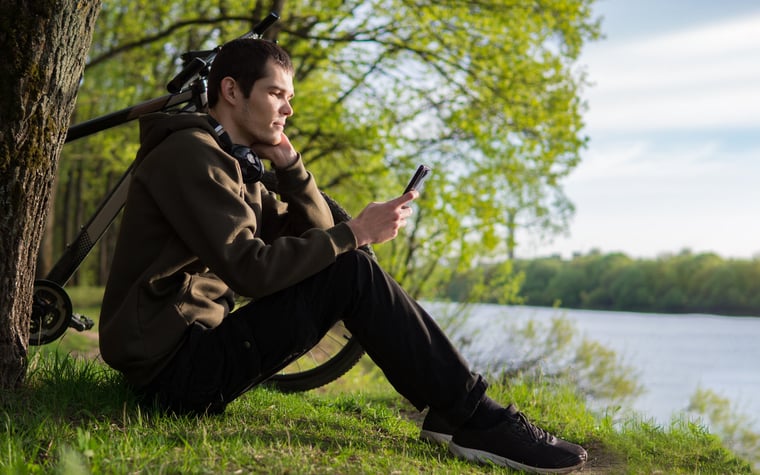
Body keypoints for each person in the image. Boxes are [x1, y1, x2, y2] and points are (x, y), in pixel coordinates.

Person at [99, 37, 588, 474]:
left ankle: (459, 411)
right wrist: (356, 232)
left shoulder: (232, 163)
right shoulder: (191, 155)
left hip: (193, 351)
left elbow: (317, 232)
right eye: (276, 94)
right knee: (352, 266)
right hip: (173, 373)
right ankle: (474, 416)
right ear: (231, 91)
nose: (287, 110)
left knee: (348, 262)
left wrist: (291, 166)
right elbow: (250, 270)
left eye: (289, 99)